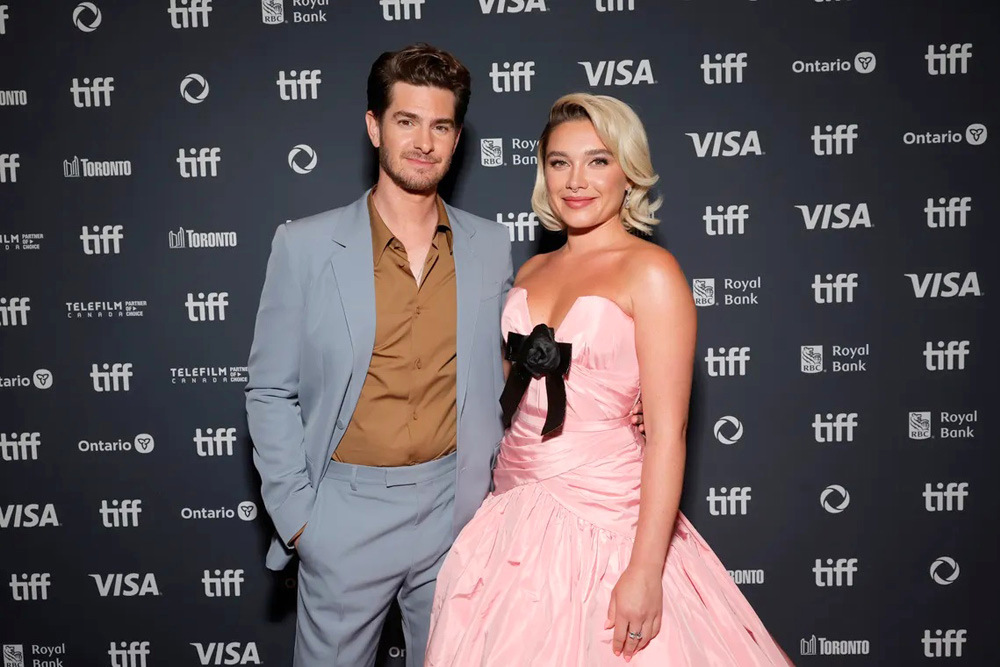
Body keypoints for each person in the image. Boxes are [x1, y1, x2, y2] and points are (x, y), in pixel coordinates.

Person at [245, 46, 643, 667]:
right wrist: (301, 519)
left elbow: (517, 366)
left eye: (441, 125)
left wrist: (625, 407)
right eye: (406, 121)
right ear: (375, 126)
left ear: (457, 138)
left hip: (460, 510)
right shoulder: (304, 246)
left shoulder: (490, 245)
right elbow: (270, 389)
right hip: (344, 512)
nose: (424, 142)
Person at [425, 93, 793, 666]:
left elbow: (668, 435)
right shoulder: (531, 270)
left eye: (598, 160)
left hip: (608, 522)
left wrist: (645, 571)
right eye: (559, 162)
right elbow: (510, 395)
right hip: (511, 516)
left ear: (629, 171)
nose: (576, 180)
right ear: (544, 172)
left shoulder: (651, 271)